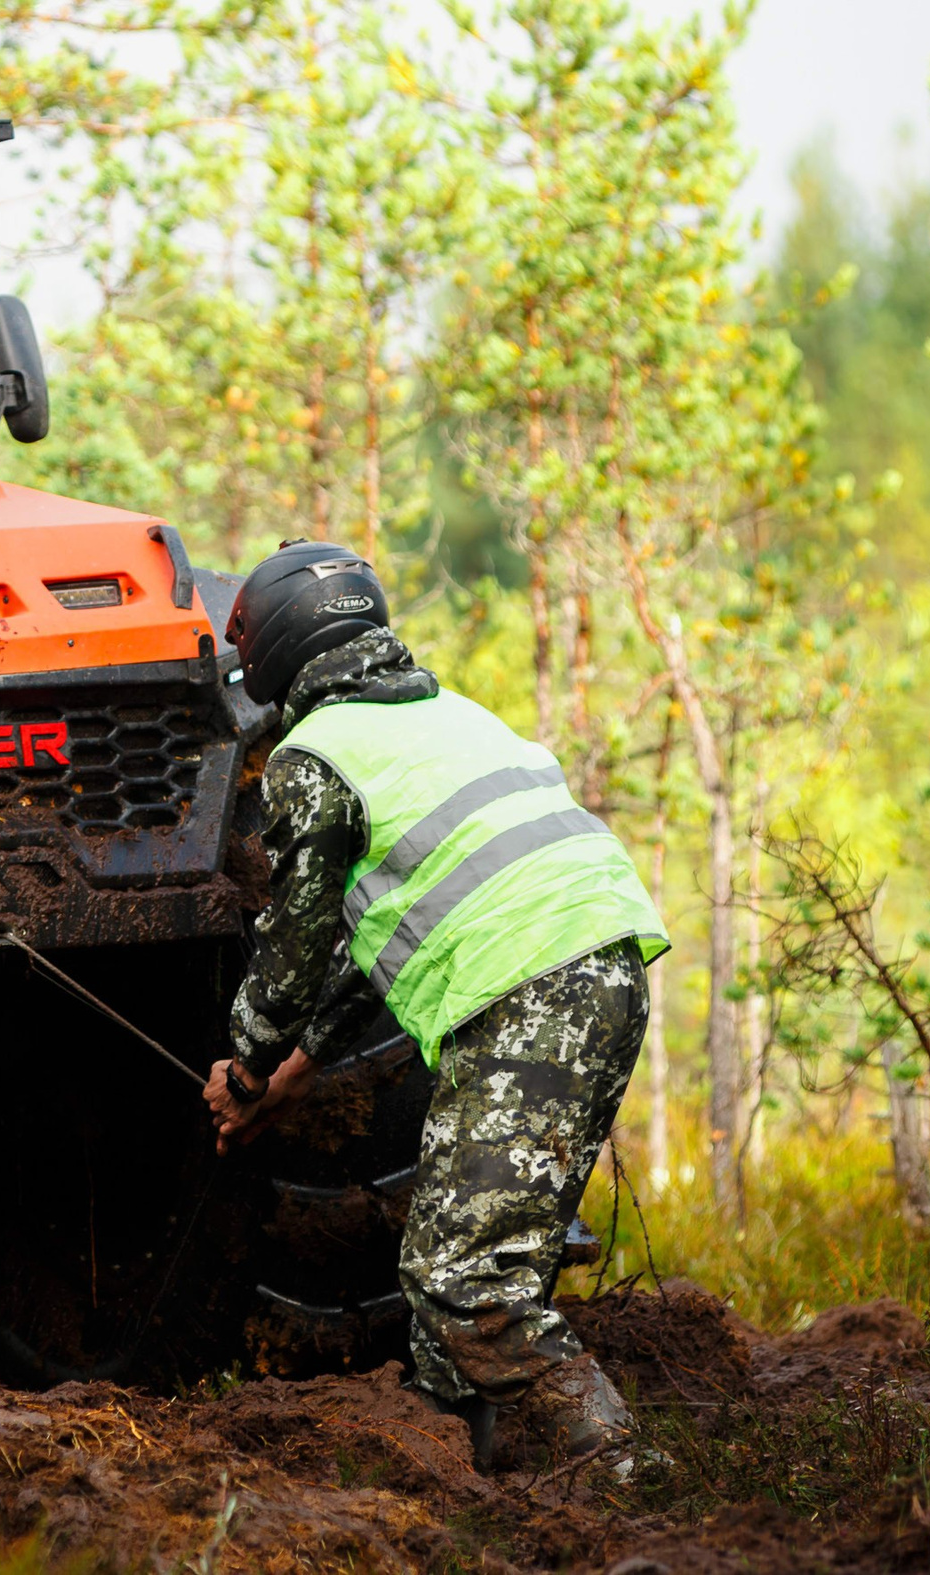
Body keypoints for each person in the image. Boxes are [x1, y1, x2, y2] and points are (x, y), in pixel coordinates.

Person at [202, 540, 668, 1471]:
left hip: (525, 992)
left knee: (464, 1278)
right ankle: (470, 1481)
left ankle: (628, 1472)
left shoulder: (312, 756)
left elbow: (295, 954)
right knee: (469, 1259)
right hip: (601, 970)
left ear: (275, 652)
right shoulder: (446, 715)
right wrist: (297, 1071)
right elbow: (371, 941)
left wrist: (247, 1061)